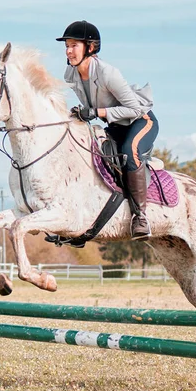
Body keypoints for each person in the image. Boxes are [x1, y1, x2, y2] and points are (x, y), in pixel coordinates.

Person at [56, 20, 158, 240]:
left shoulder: (107, 73)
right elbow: (91, 108)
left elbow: (135, 108)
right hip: (115, 126)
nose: (68, 50)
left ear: (90, 47)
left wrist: (97, 112)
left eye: (74, 45)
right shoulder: (70, 75)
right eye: (67, 45)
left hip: (141, 121)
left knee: (130, 152)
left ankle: (141, 218)